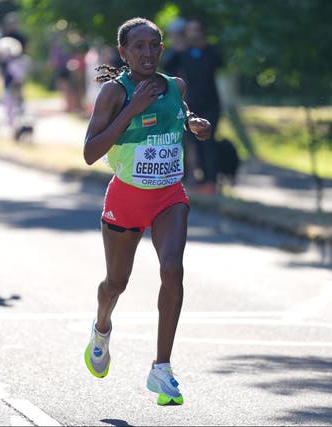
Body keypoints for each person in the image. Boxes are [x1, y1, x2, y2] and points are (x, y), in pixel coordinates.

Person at [82, 17, 211, 406]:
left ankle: (162, 368)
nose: (148, 53)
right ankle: (101, 327)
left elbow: (178, 112)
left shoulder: (176, 86)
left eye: (154, 45)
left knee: (173, 268)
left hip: (169, 196)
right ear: (123, 52)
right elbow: (90, 153)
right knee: (116, 284)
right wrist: (132, 108)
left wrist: (193, 123)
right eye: (138, 46)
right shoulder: (113, 93)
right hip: (126, 199)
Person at [179, 18, 224, 193]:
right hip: (191, 104)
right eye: (190, 30)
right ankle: (197, 179)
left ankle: (210, 180)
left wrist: (204, 46)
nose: (194, 34)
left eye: (197, 30)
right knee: (193, 142)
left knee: (209, 140)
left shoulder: (210, 51)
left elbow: (220, 63)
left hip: (211, 103)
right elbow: (167, 64)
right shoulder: (184, 52)